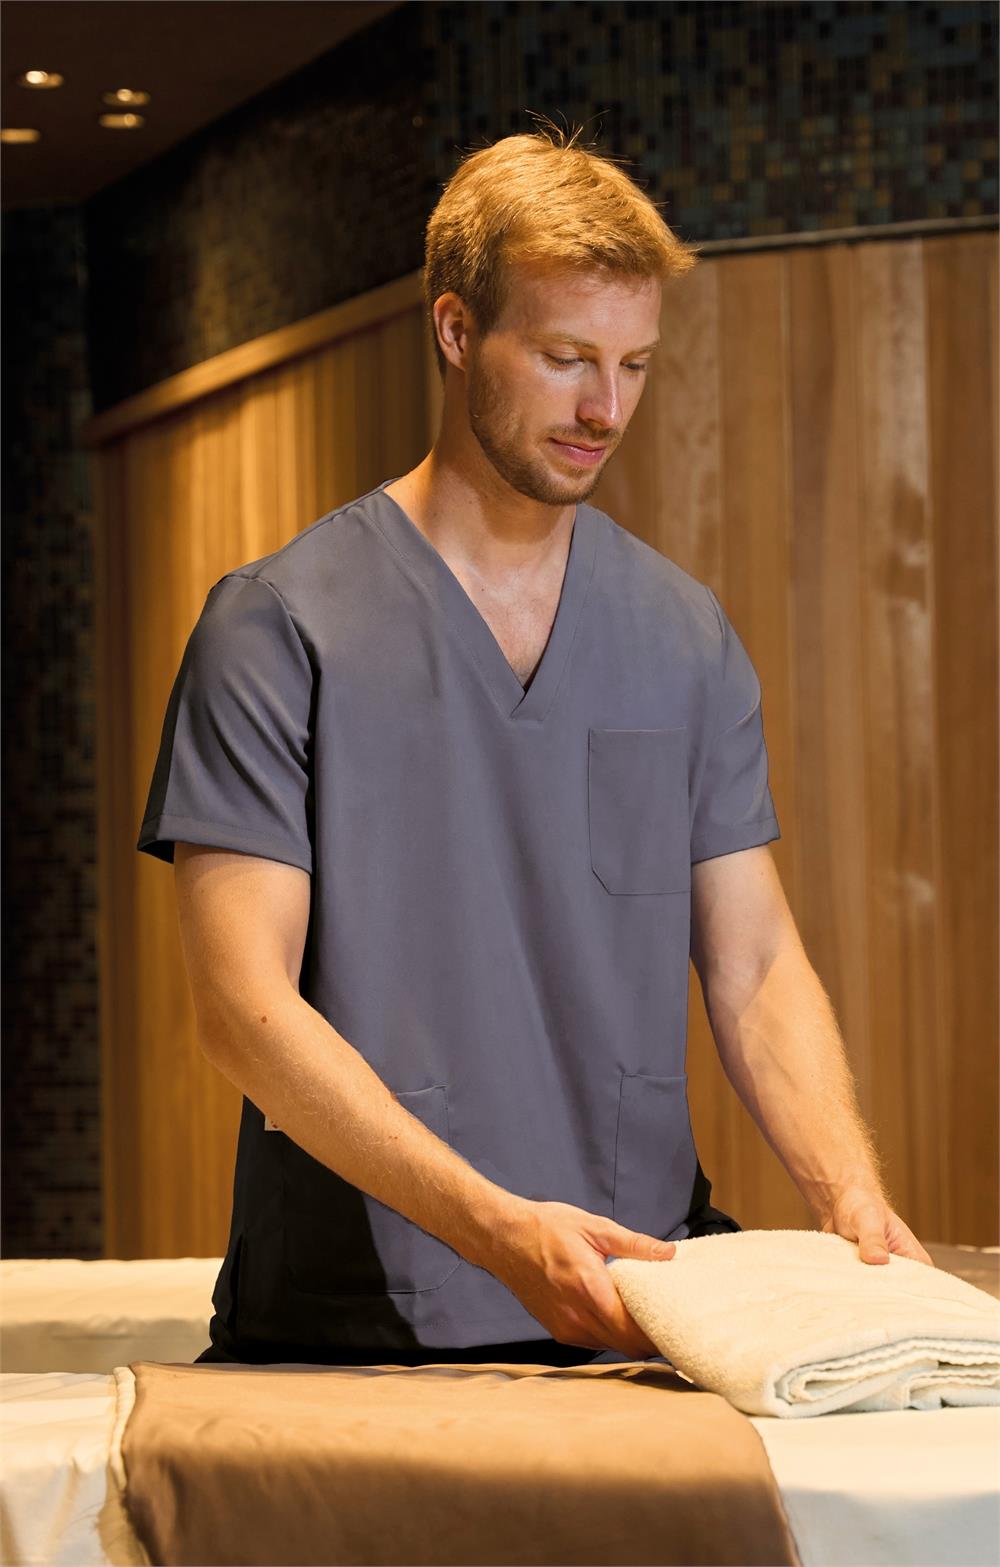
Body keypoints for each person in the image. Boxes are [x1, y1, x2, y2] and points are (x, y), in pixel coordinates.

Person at [137, 121, 934, 1369]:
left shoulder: (681, 634)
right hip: (357, 1330)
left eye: (633, 364)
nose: (604, 408)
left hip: (641, 1310)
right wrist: (498, 1231)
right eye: (565, 359)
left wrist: (850, 1197)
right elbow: (242, 1008)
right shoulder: (280, 626)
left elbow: (755, 959)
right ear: (456, 330)